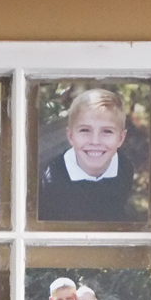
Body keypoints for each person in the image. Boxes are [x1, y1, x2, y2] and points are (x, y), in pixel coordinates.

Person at [39, 87, 135, 222]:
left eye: (107, 131)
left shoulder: (124, 167)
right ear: (70, 136)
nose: (95, 141)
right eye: (85, 130)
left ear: (120, 138)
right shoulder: (53, 178)